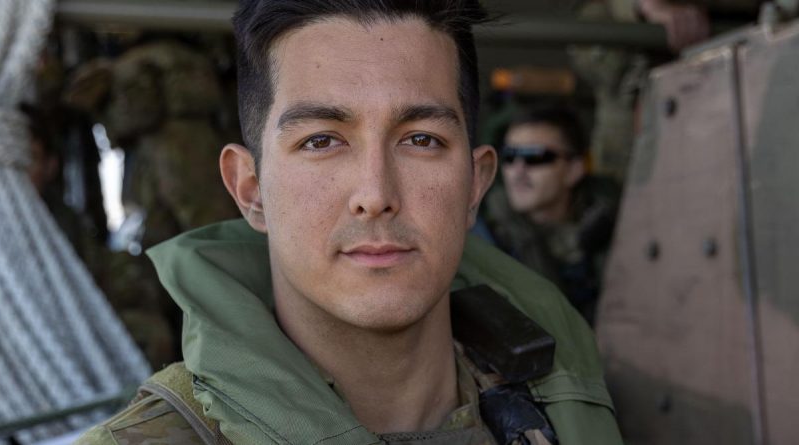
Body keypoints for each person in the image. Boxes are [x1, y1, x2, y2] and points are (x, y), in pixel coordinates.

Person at [76, 1, 623, 444]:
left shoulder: (560, 400)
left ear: (475, 184)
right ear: (250, 189)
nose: (376, 195)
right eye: (321, 141)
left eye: (421, 140)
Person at [485, 106, 620, 325]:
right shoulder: (482, 243)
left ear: (574, 169)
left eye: (535, 157)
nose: (518, 171)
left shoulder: (614, 231)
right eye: (510, 156)